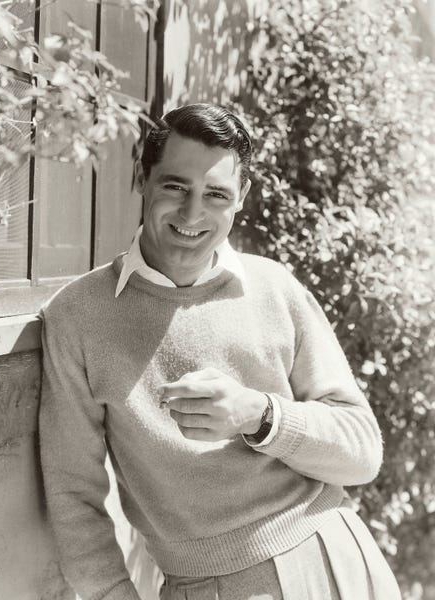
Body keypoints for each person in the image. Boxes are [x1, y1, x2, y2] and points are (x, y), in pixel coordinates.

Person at [39, 103, 401, 600]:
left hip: (335, 560)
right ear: (143, 177)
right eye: (174, 186)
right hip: (203, 587)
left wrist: (261, 414)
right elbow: (72, 496)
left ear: (241, 197)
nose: (192, 214)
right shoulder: (76, 316)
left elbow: (362, 454)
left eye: (215, 194)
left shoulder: (276, 288)